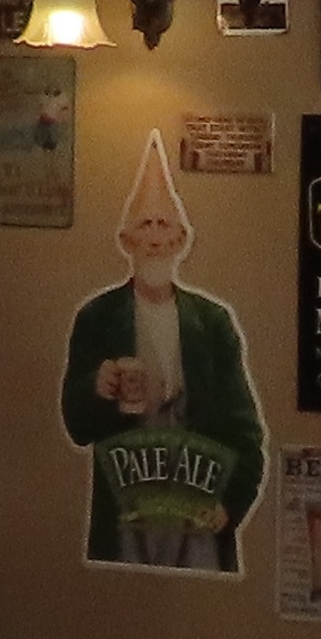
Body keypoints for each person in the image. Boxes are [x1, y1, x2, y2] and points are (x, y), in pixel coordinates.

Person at [57, 138, 264, 574]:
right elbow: (77, 425)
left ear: (181, 239)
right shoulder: (97, 318)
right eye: (145, 225)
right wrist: (97, 388)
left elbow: (245, 432)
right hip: (126, 513)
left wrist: (229, 504)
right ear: (126, 239)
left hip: (196, 510)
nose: (154, 237)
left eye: (164, 225)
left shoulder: (213, 323)